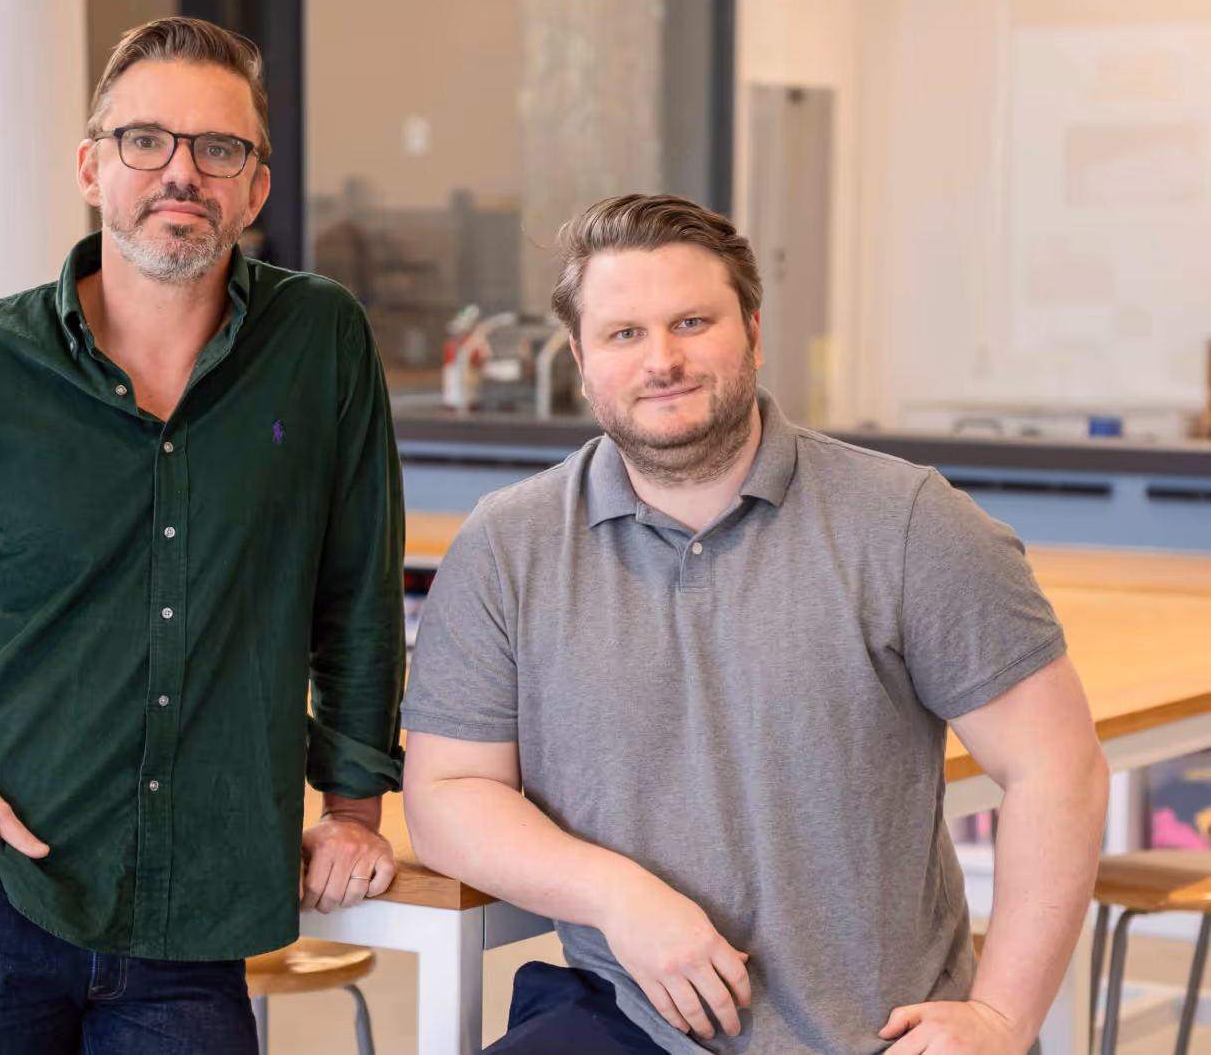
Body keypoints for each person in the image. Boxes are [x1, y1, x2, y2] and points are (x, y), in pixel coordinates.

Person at [401, 194, 1109, 1054]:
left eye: (692, 322)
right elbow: (447, 794)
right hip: (628, 1022)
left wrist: (1003, 1016)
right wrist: (618, 895)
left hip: (877, 1033)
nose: (662, 359)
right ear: (582, 363)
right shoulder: (509, 544)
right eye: (624, 333)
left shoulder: (909, 523)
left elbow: (1056, 767)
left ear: (755, 334)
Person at [0, 17, 405, 1053]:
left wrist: (353, 806)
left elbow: (356, 590)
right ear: (93, 167)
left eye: (218, 148)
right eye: (147, 140)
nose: (181, 173)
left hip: (198, 913)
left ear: (256, 187)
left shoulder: (321, 342)